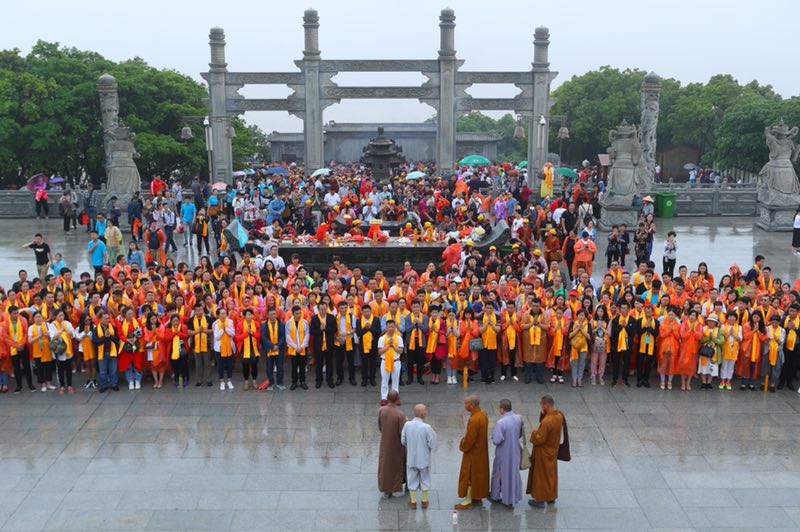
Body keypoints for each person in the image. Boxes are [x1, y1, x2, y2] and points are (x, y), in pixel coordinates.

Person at [526, 395, 564, 508]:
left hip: (543, 452)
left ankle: (540, 499)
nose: (541, 407)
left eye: (541, 405)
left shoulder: (547, 421)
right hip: (553, 450)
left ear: (546, 406)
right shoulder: (558, 416)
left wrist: (533, 433)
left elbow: (540, 439)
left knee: (541, 476)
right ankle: (551, 497)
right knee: (551, 475)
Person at [455, 394, 489, 510]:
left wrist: (462, 445)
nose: (465, 405)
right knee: (478, 475)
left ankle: (468, 501)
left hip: (473, 453)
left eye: (466, 404)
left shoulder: (474, 419)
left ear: (472, 405)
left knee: (469, 475)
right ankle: (477, 497)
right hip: (481, 451)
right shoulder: (483, 414)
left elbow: (469, 440)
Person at [401, 403, 437, 510]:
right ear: (423, 413)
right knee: (425, 479)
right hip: (424, 459)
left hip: (411, 459)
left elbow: (403, 441)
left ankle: (413, 502)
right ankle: (424, 501)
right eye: (425, 411)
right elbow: (432, 444)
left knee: (411, 479)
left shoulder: (407, 425)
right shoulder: (427, 427)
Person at [490, 398, 523, 508]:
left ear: (502, 409)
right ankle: (512, 497)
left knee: (499, 474)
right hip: (515, 451)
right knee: (512, 474)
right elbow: (520, 434)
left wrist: (492, 436)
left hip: (503, 453)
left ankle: (496, 495)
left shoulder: (501, 422)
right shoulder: (518, 418)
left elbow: (496, 440)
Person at [377, 389, 407, 498]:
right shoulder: (400, 414)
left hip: (385, 442)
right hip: (397, 444)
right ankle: (399, 485)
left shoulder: (381, 410)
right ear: (397, 399)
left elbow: (380, 426)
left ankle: (386, 489)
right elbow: (403, 432)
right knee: (399, 464)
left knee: (385, 465)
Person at [310, 301, 336, 389]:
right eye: (321, 309)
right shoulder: (314, 318)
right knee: (319, 363)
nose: (323, 311)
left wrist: (326, 328)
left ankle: (329, 380)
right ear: (318, 309)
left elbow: (334, 329)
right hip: (318, 344)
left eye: (324, 309)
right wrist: (320, 329)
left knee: (329, 363)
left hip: (329, 344)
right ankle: (319, 380)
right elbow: (312, 331)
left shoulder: (331, 317)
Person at [91, 311, 119, 393]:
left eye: (108, 318)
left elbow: (117, 340)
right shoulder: (96, 330)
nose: (108, 320)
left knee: (113, 370)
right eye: (106, 318)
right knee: (102, 371)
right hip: (101, 353)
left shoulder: (113, 328)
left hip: (112, 351)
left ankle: (114, 384)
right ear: (100, 319)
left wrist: (110, 336)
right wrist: (104, 337)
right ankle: (104, 385)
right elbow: (95, 342)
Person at [378, 319, 403, 405]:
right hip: (385, 361)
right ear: (386, 327)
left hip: (396, 361)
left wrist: (393, 345)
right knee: (384, 380)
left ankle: (395, 398)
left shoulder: (398, 338)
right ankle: (384, 397)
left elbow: (400, 351)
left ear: (395, 327)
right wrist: (388, 345)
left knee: (395, 381)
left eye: (393, 327)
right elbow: (380, 351)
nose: (391, 329)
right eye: (389, 327)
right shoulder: (382, 338)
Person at [285, 305, 309, 390]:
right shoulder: (288, 323)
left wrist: (302, 346)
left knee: (302, 366)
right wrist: (296, 347)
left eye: (300, 313)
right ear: (293, 314)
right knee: (294, 366)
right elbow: (287, 336)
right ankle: (294, 382)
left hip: (302, 348)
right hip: (293, 348)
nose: (299, 315)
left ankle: (302, 381)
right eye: (297, 313)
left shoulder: (305, 322)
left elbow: (307, 335)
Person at [261, 307, 286, 390]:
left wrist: (277, 345)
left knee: (280, 367)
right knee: (269, 367)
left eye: (274, 314)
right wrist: (272, 346)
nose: (273, 316)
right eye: (271, 314)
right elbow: (264, 338)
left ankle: (279, 382)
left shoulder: (281, 324)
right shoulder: (264, 325)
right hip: (269, 349)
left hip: (279, 349)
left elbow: (283, 336)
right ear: (267, 315)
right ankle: (271, 383)